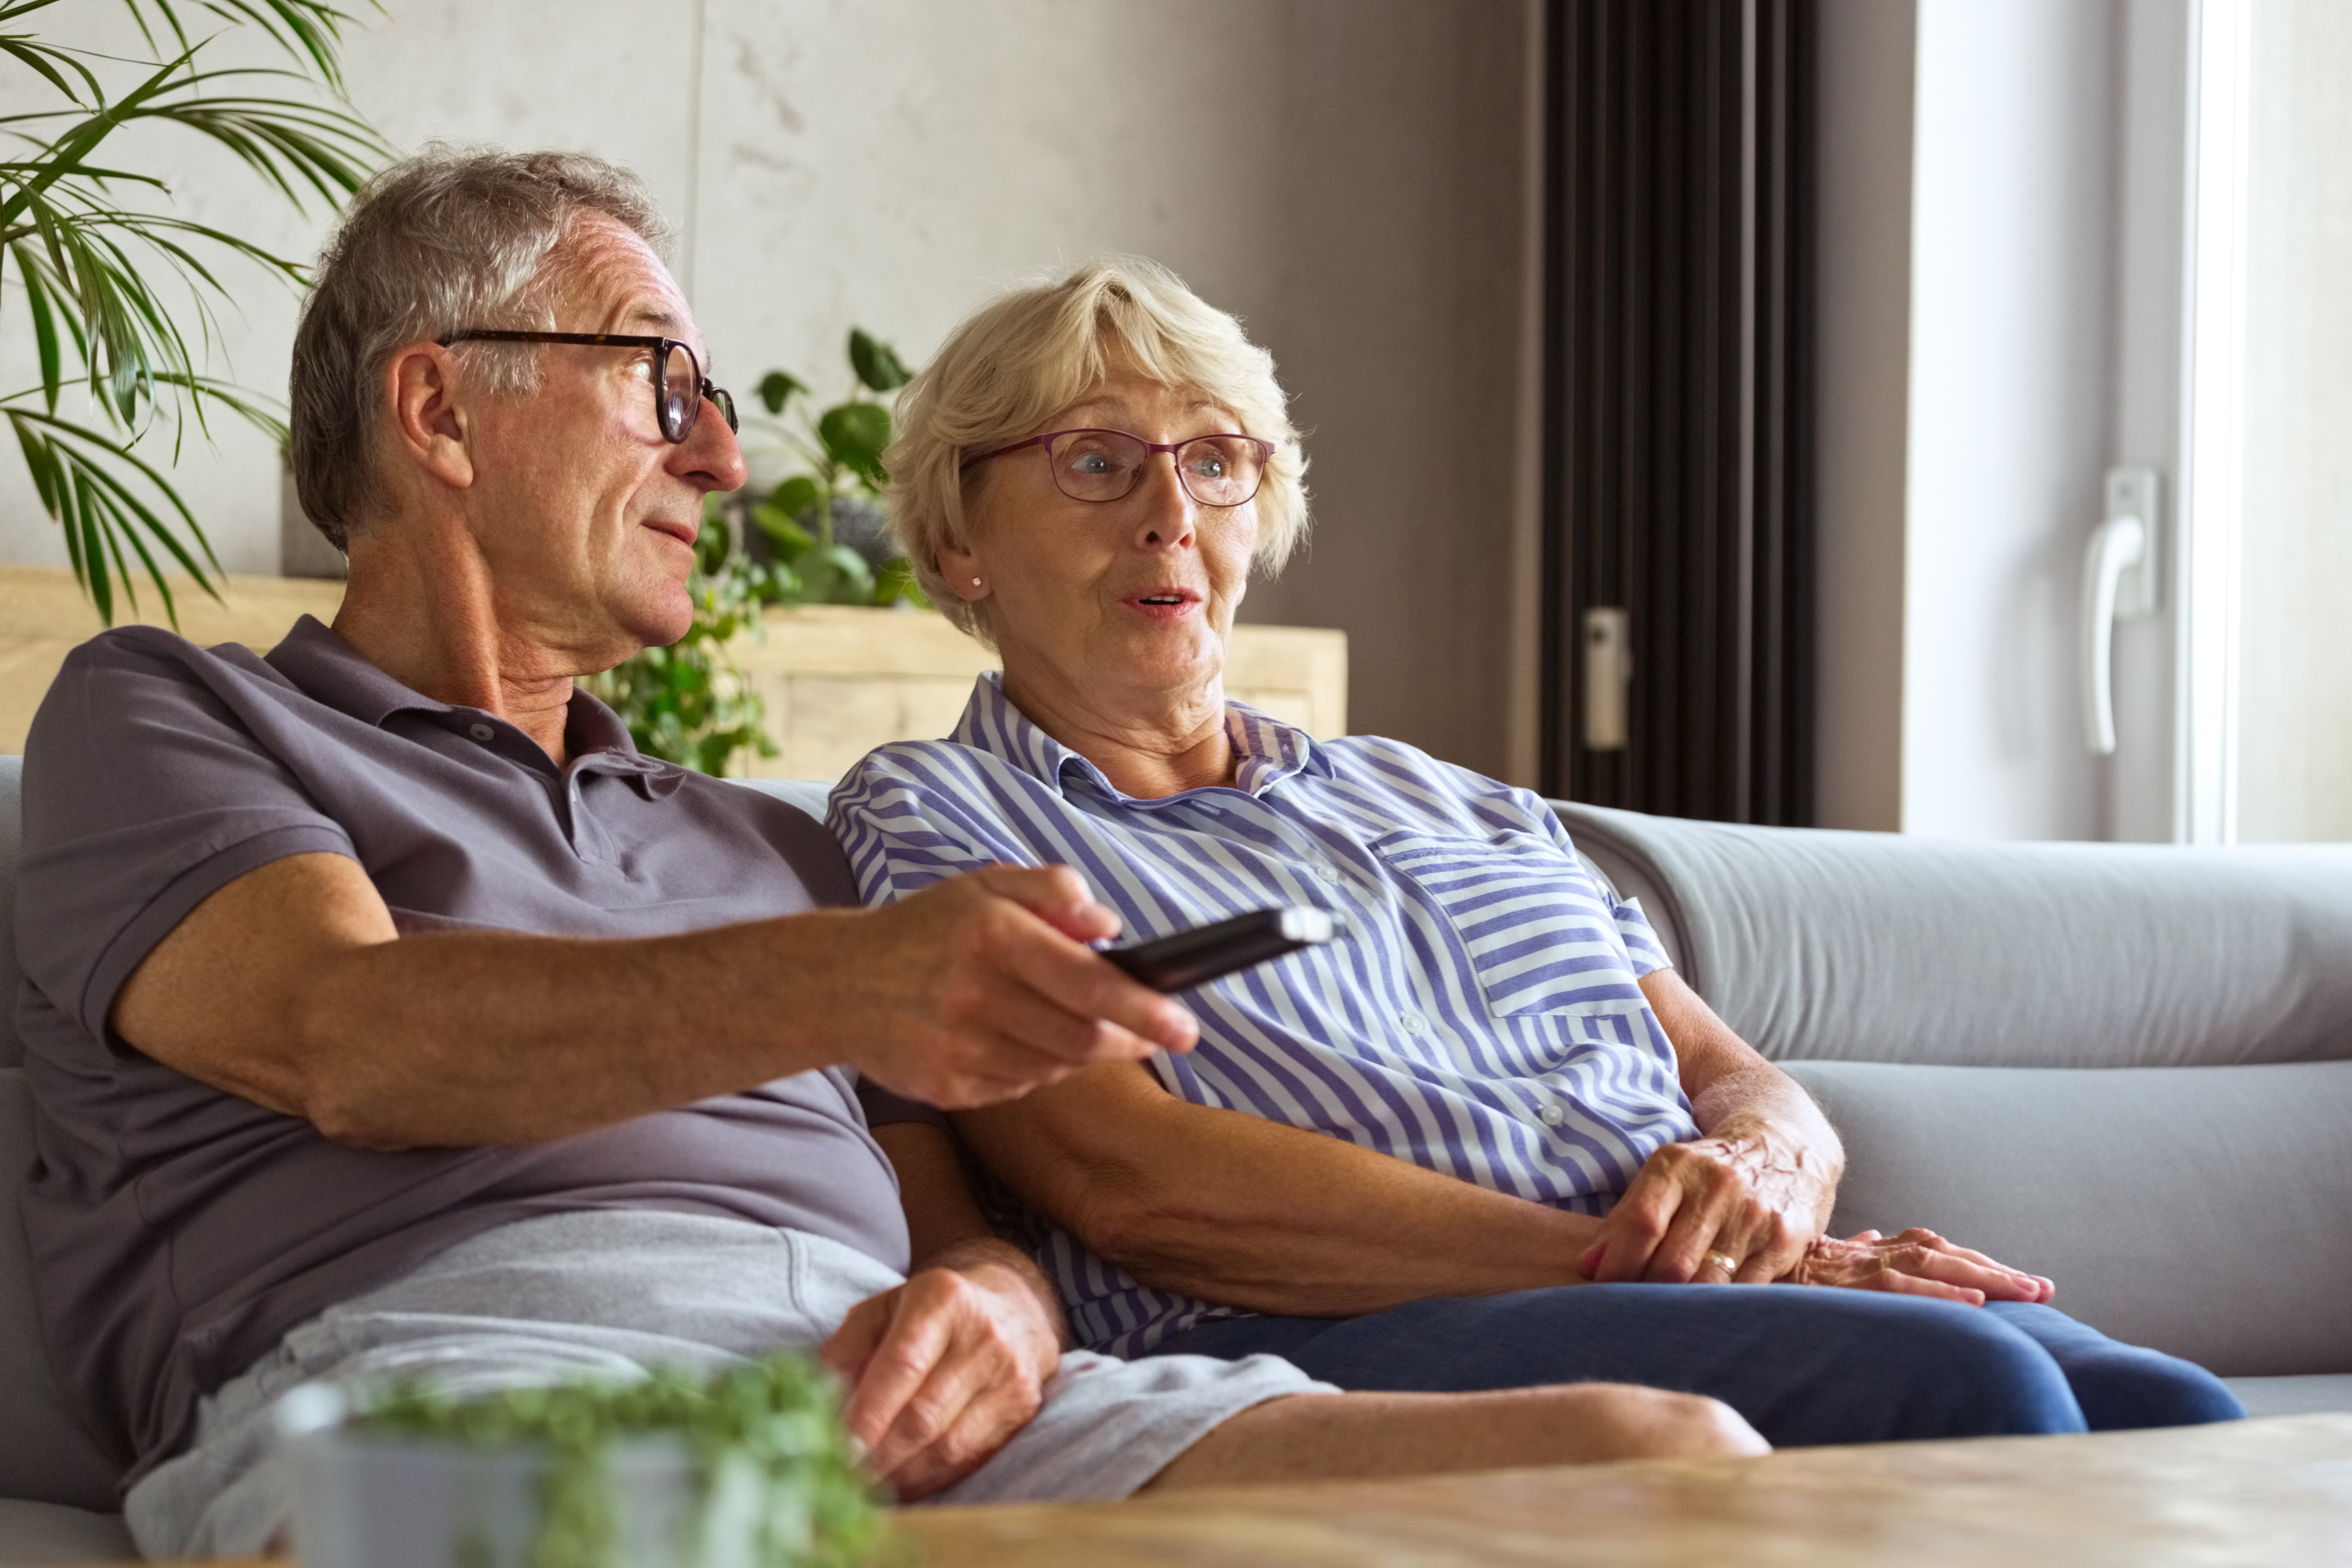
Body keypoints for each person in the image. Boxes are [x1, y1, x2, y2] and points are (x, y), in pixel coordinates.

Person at [14, 153, 1767, 1561]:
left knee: (1667, 1460)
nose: (725, 454)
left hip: (886, 1393)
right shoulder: (171, 719)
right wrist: (856, 977)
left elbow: (958, 1225)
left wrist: (992, 1311)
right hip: (464, 1374)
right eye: (662, 384)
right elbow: (354, 1037)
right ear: (442, 411)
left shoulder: (761, 840)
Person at [827, 256, 2247, 1447]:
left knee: (2175, 1415)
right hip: (1338, 1328)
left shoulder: (1451, 796)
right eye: (1096, 462)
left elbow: (1738, 1077)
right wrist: (1715, 1262)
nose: (1171, 515)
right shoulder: (941, 812)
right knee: (1974, 1386)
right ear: (959, 539)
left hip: (1688, 1281)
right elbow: (1134, 1183)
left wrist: (1761, 1174)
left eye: (1215, 462)